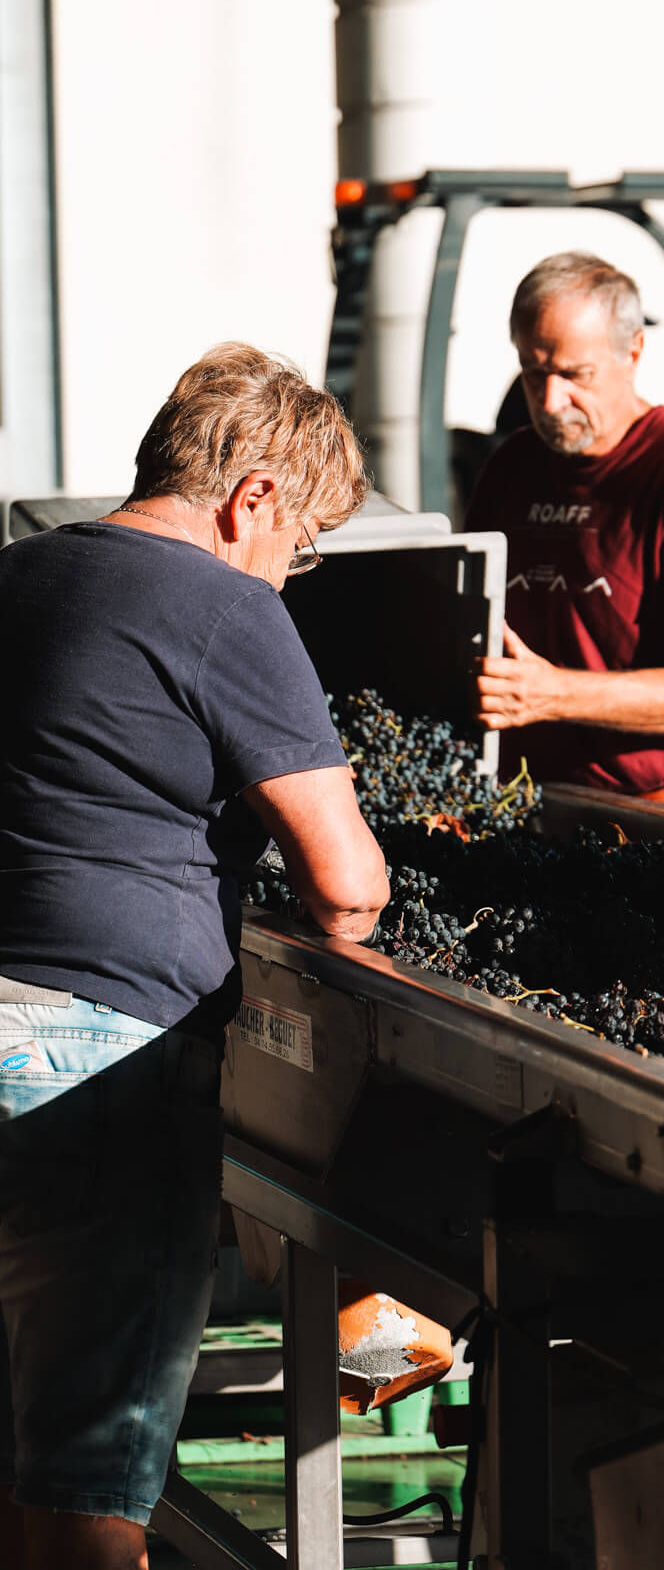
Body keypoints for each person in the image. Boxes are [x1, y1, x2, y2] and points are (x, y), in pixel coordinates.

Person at [0, 344, 390, 1570]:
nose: (293, 568)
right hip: (93, 1059)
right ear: (254, 496)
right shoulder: (226, 604)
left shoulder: (18, 573)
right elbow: (347, 880)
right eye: (304, 537)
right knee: (84, 1488)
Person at [468, 253, 664, 806]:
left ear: (633, 351)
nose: (551, 401)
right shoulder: (510, 466)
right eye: (534, 374)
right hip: (519, 803)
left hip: (649, 817)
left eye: (574, 375)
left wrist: (552, 694)